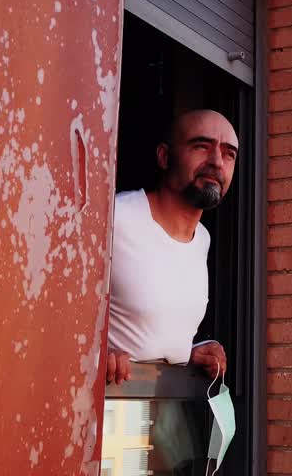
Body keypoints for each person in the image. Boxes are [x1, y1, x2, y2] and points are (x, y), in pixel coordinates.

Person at [105, 109, 236, 384]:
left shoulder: (202, 239)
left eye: (228, 154)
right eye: (201, 146)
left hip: (155, 411)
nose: (216, 162)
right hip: (102, 408)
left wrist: (188, 353)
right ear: (164, 156)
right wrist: (95, 351)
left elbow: (146, 329)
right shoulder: (114, 218)